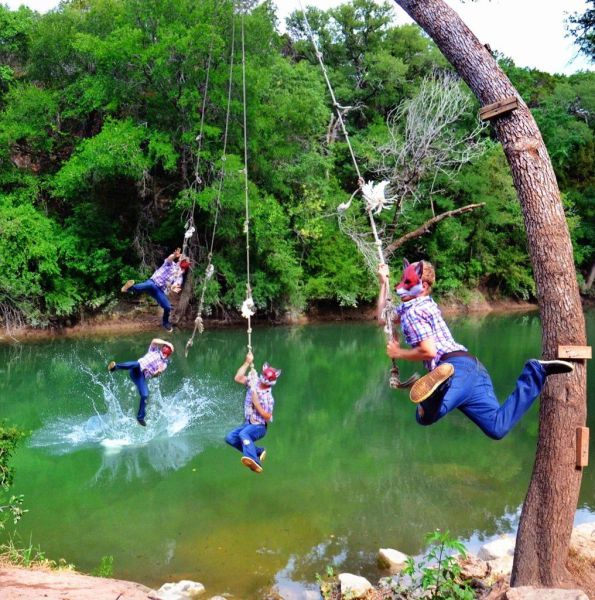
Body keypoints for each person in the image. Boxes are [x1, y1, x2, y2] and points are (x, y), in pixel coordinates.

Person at [377, 259, 575, 440]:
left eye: (408, 281)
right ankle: (535, 372)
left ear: (424, 286)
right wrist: (383, 283)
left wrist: (398, 353)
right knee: (497, 427)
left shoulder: (413, 312)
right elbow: (382, 318)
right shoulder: (420, 305)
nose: (401, 286)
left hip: (455, 369)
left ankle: (442, 385)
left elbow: (429, 351)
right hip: (473, 368)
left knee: (424, 416)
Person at [225, 352, 281, 473]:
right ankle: (258, 451)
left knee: (244, 434)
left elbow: (268, 416)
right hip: (248, 423)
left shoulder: (268, 397)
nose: (264, 380)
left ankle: (255, 462)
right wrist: (247, 362)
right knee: (230, 438)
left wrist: (256, 404)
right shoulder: (254, 382)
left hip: (259, 426)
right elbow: (238, 378)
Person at [108, 338, 174, 427]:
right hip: (135, 369)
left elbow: (156, 374)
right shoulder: (154, 351)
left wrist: (156, 372)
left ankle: (140, 417)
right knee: (137, 364)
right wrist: (166, 342)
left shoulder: (164, 364)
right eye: (166, 346)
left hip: (141, 377)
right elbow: (154, 341)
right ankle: (115, 367)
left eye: (168, 348)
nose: (165, 347)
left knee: (145, 394)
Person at [121, 249, 190, 332]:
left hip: (159, 291)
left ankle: (165, 323)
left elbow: (175, 286)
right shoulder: (171, 265)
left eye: (183, 269)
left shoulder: (180, 278)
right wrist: (174, 255)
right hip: (153, 283)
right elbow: (169, 259)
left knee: (167, 307)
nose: (182, 270)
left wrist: (173, 287)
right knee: (149, 285)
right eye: (182, 268)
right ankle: (129, 289)